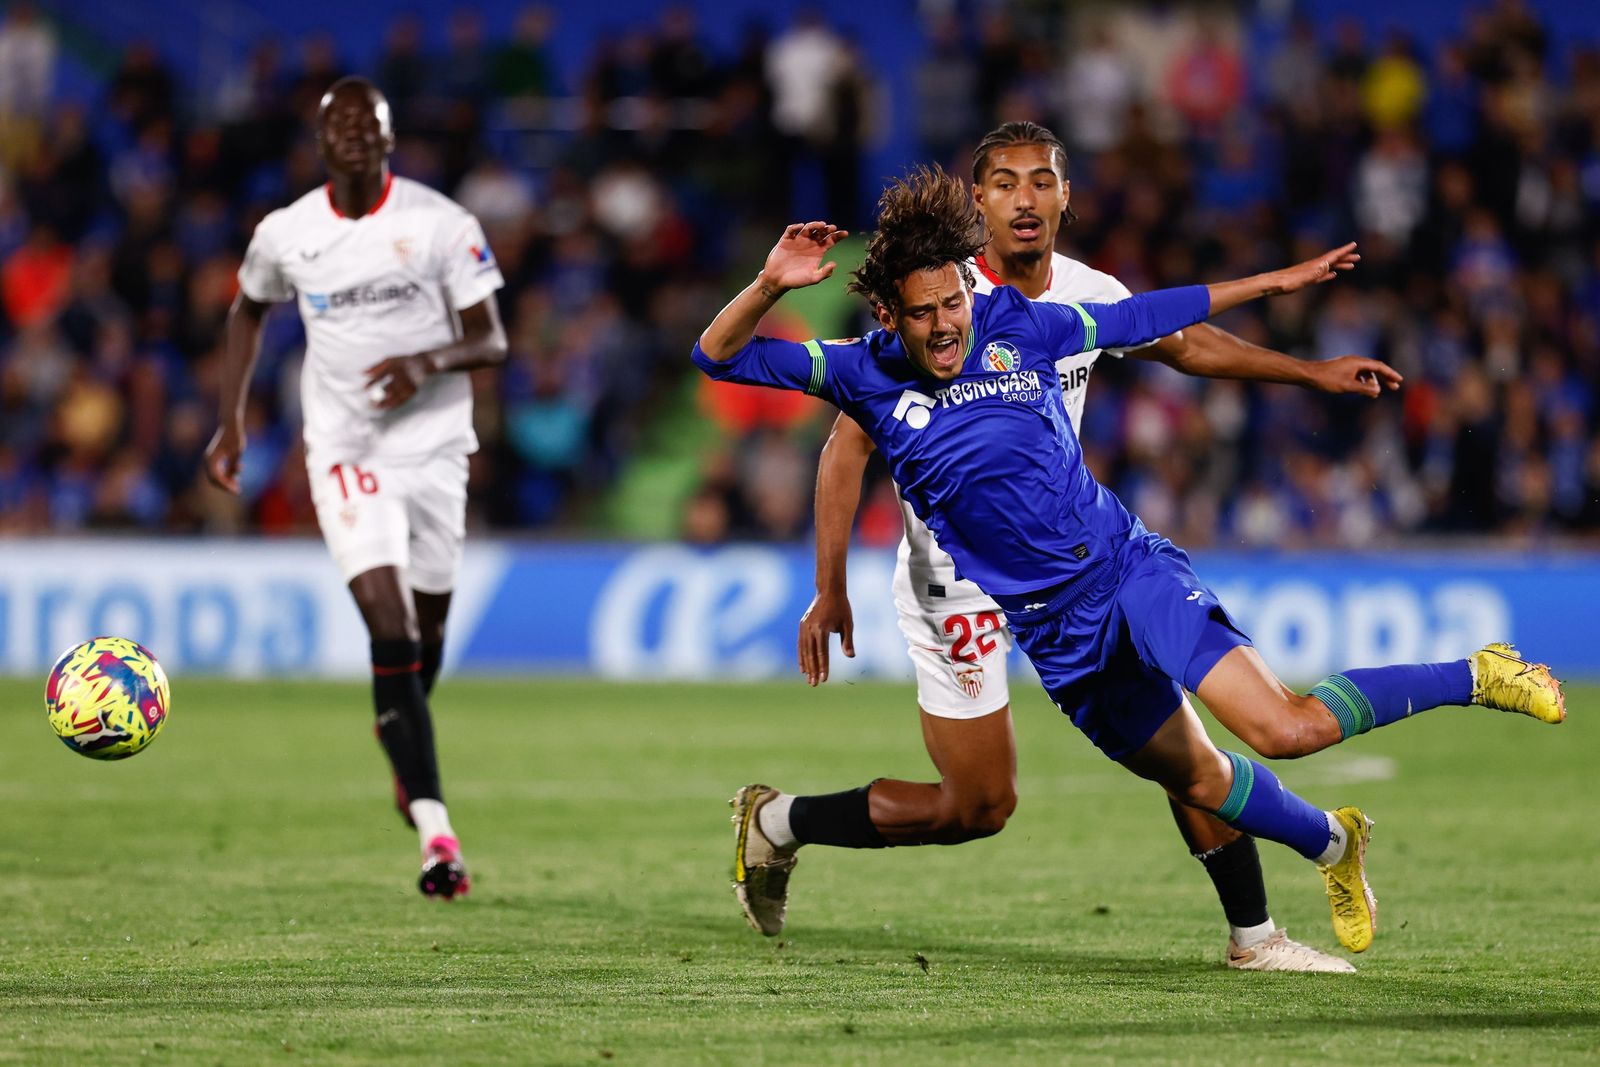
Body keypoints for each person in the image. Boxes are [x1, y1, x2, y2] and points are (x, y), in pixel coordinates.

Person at [695, 167, 1564, 959]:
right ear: (889, 314)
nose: (945, 325)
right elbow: (717, 356)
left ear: (969, 285)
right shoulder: (860, 375)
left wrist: (1275, 282)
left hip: (1127, 573)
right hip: (1056, 638)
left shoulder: (1020, 323)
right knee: (1197, 777)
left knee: (1285, 728)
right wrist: (771, 283)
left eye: (952, 301)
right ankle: (1334, 844)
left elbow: (1148, 320)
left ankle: (1476, 673)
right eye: (921, 313)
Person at [792, 122, 1405, 972]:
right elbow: (846, 444)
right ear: (978, 202)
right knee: (977, 806)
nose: (1024, 199)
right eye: (1004, 183)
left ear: (1065, 195)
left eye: (1041, 181)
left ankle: (1254, 933)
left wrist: (1308, 371)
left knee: (1178, 741)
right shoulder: (936, 297)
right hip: (953, 585)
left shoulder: (1084, 290)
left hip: (1072, 569)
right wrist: (830, 587)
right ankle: (782, 821)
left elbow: (1184, 342)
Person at [203, 77, 508, 899]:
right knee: (389, 618)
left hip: (436, 446)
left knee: (427, 633)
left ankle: (402, 741)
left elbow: (492, 337)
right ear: (320, 141)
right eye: (337, 125)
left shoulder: (441, 224)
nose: (352, 136)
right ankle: (437, 833)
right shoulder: (286, 233)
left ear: (387, 136)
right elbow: (245, 310)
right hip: (345, 445)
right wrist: (232, 421)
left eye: (366, 124)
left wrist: (422, 363)